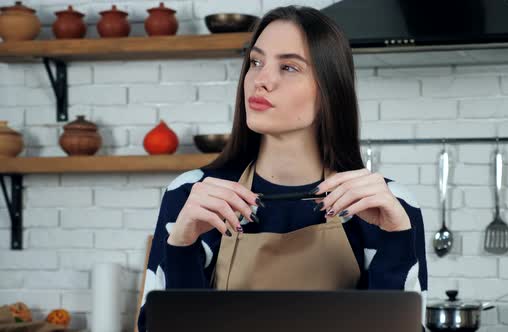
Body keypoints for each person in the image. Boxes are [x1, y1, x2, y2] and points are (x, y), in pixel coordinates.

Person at [137, 5, 427, 332]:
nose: (262, 80)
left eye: (288, 67)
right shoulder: (192, 195)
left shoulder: (386, 205)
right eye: (256, 62)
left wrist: (397, 241)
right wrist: (181, 247)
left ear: (330, 90)